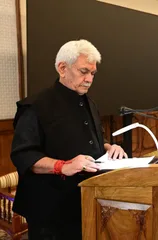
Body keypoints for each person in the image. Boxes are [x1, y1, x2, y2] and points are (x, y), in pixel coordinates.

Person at [11, 39, 127, 240]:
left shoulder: (89, 102)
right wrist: (63, 166)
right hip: (49, 208)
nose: (89, 79)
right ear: (62, 68)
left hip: (85, 199)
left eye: (92, 74)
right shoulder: (35, 106)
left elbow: (95, 136)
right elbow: (23, 155)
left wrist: (109, 147)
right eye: (84, 72)